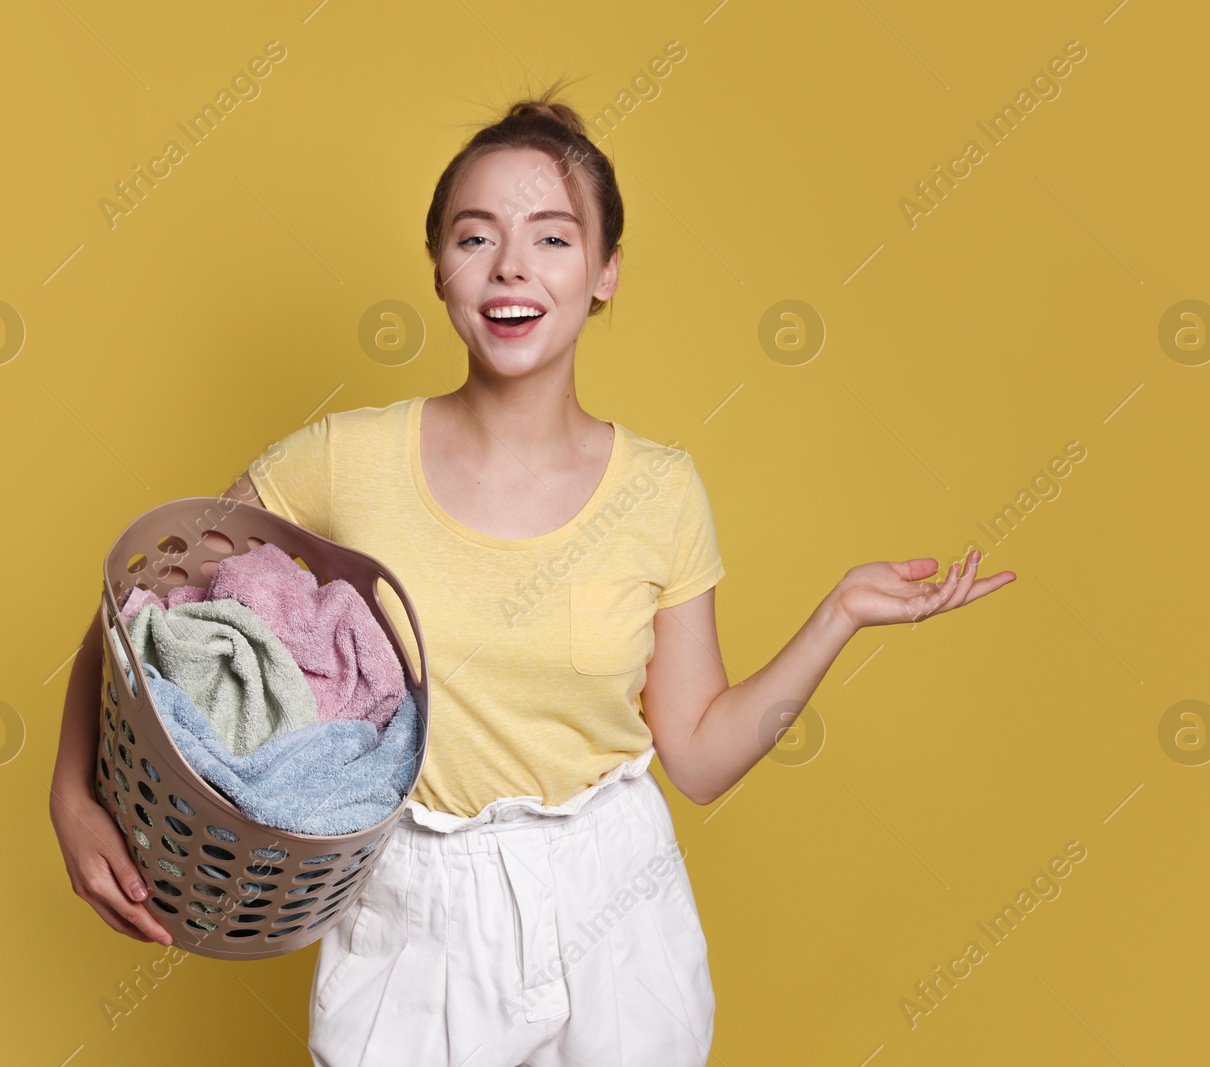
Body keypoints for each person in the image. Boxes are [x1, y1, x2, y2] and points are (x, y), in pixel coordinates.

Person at [49, 81, 1015, 1066]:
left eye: (553, 238)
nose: (512, 266)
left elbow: (697, 755)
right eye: (475, 237)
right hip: (416, 902)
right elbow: (147, 615)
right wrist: (71, 792)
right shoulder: (340, 461)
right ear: (437, 269)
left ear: (605, 272)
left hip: (617, 893)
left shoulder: (662, 491)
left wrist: (838, 614)